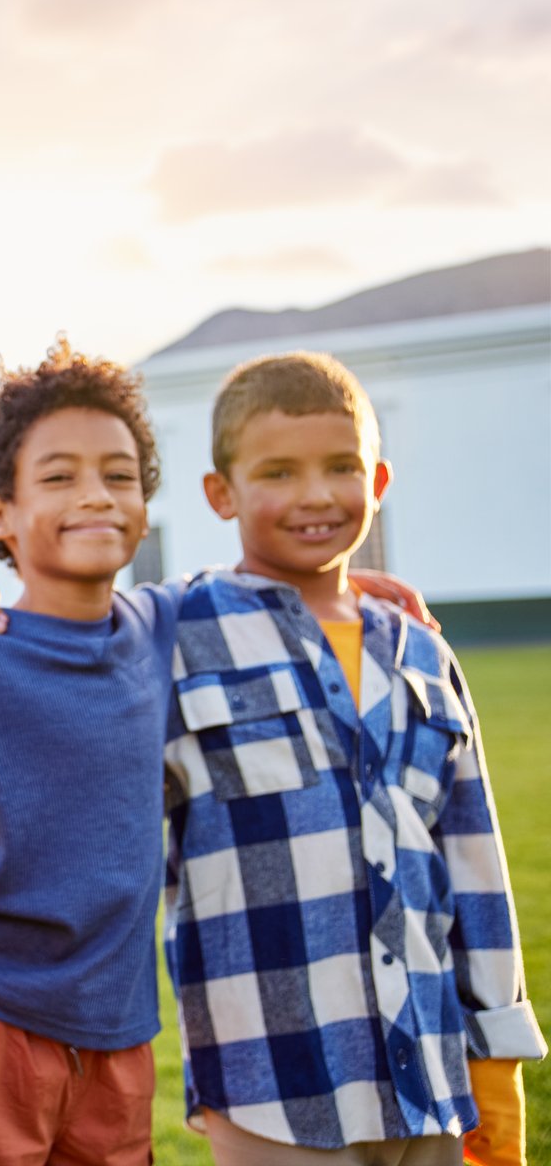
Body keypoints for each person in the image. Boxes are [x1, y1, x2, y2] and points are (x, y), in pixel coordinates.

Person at [165, 351, 542, 1165]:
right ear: (220, 493)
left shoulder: (423, 653)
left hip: (431, 1078)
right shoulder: (177, 637)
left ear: (376, 481)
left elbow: (475, 864)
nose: (314, 494)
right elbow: (55, 653)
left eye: (340, 467)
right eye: (278, 471)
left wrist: (497, 1050)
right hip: (270, 1084)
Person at [0, 338, 175, 1166]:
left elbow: (262, 585)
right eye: (59, 477)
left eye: (118, 475)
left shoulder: (159, 629)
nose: (96, 496)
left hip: (120, 1030)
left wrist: (349, 582)